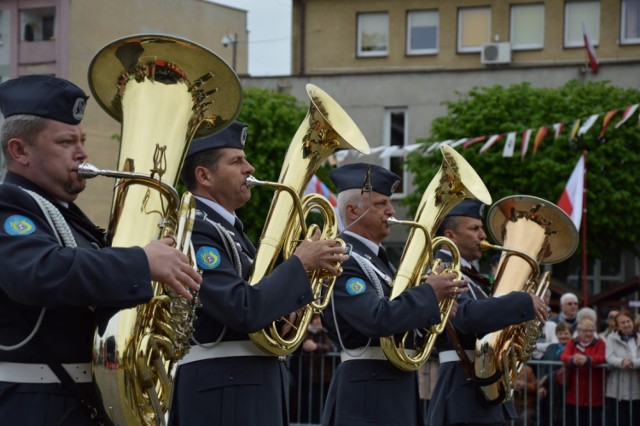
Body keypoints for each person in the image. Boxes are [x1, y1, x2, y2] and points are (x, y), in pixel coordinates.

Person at [0, 75, 201, 424]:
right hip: (36, 407)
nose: (82, 153)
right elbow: (37, 273)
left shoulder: (66, 217)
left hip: (78, 403)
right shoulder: (9, 208)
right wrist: (141, 261)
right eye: (66, 142)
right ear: (20, 151)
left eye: (82, 140)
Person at [168, 121, 346, 426]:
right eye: (236, 161)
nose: (249, 168)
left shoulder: (230, 232)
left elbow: (259, 307)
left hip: (248, 385)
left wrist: (292, 308)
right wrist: (300, 264)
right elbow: (242, 308)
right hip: (223, 391)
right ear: (204, 176)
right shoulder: (195, 230)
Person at [320, 163, 465, 426]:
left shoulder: (382, 262)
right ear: (352, 210)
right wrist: (429, 293)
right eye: (381, 204)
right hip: (367, 390)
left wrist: (436, 309)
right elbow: (378, 319)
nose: (392, 211)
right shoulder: (343, 257)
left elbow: (402, 323)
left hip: (394, 387)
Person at [426, 198, 548, 426]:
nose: (483, 235)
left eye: (481, 228)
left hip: (480, 383)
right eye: (474, 228)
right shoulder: (440, 270)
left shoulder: (472, 275)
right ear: (451, 236)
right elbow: (466, 317)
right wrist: (521, 302)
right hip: (461, 385)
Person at [560, 317, 606, 426]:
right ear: (579, 331)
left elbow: (602, 357)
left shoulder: (600, 343)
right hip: (574, 394)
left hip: (594, 395)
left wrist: (588, 360)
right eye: (585, 331)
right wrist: (573, 359)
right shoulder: (573, 342)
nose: (589, 333)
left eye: (591, 331)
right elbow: (564, 356)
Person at [605, 310, 640, 426]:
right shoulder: (611, 338)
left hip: (636, 387)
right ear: (618, 326)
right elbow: (608, 357)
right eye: (622, 322)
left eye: (628, 321)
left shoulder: (639, 338)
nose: (626, 324)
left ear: (632, 322)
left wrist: (633, 363)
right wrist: (621, 362)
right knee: (619, 421)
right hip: (617, 389)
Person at [538, 321, 572, 425]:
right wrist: (541, 385)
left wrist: (547, 377)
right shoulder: (550, 348)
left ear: (571, 334)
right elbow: (543, 366)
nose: (563, 336)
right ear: (556, 335)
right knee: (546, 416)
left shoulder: (572, 348)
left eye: (566, 333)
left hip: (564, 389)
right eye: (560, 333)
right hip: (548, 388)